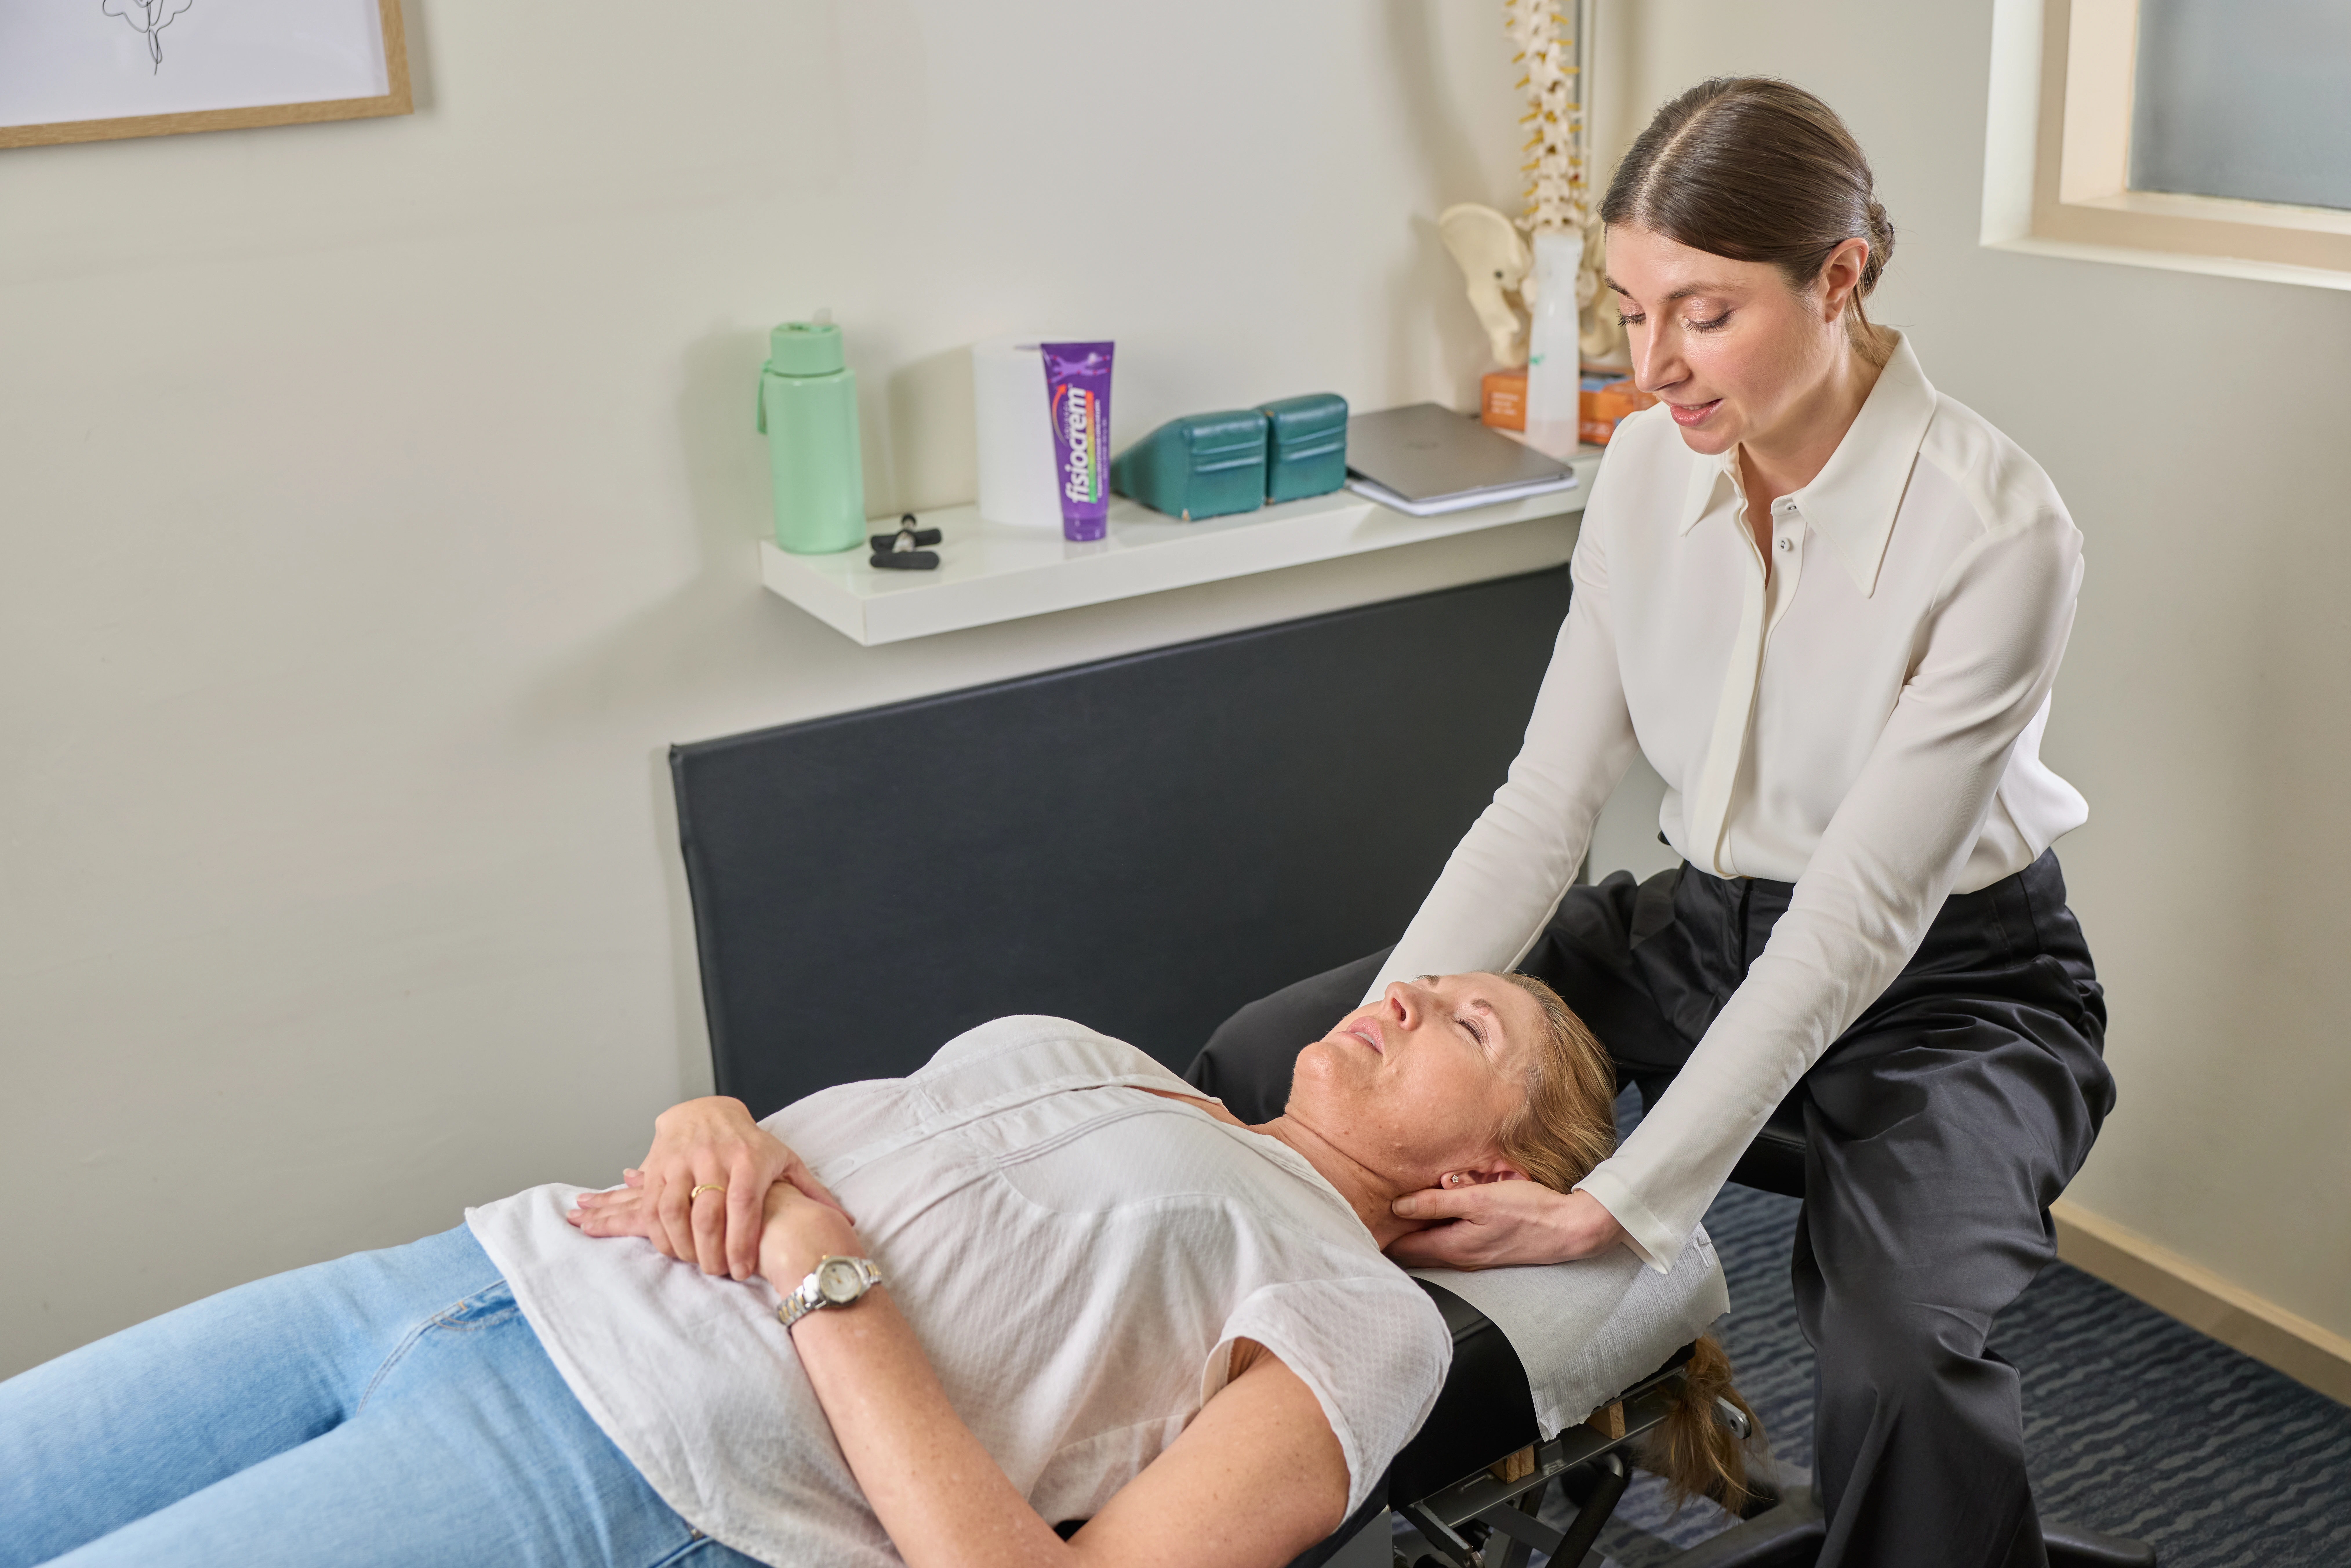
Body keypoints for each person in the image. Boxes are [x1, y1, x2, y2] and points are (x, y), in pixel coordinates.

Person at [1187, 78, 2115, 1568]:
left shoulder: (1996, 531)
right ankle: (1230, 1469)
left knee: (1894, 1351)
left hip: (1950, 988)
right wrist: (1387, 1040)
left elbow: (1858, 916)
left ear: (1838, 278)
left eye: (1701, 313)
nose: (1654, 367)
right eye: (1631, 311)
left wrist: (1616, 1206)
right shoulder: (1639, 472)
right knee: (1263, 1057)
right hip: (1698, 930)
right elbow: (1541, 807)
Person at [0, 973, 1741, 1568]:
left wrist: (828, 1272)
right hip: (453, 1279)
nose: (1410, 993)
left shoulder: (1358, 1322)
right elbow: (780, 1156)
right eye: (1428, 976)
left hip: (623, 1463)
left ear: (1480, 1169)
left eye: (1467, 1022)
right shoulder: (1120, 1059)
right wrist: (710, 1119)